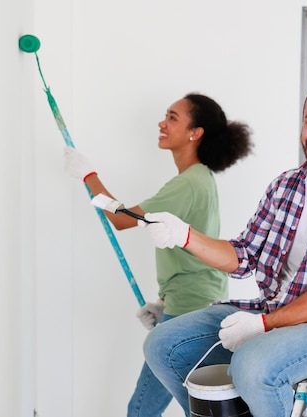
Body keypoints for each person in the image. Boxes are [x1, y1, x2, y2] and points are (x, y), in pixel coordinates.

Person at [138, 80, 307, 417]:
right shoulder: (285, 185)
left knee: (252, 364)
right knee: (161, 344)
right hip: (270, 309)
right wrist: (184, 235)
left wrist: (263, 325)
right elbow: (244, 255)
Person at [63, 93, 253, 417]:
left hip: (191, 311)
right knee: (149, 409)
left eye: (173, 117)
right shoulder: (196, 179)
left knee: (146, 410)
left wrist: (88, 175)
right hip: (190, 306)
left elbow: (122, 219)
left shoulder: (190, 183)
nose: (162, 123)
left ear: (196, 132)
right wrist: (164, 304)